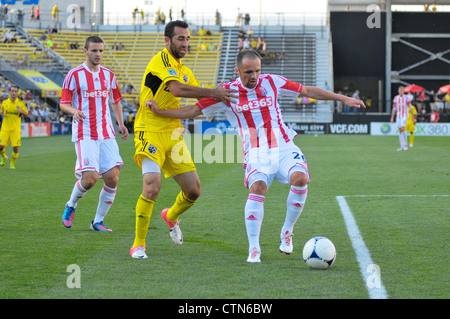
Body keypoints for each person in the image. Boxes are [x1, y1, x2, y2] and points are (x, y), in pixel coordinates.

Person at [146, 49, 365, 263]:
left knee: (300, 179)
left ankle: (287, 231)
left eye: (257, 71)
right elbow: (192, 111)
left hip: (284, 145)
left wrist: (342, 98)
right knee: (258, 187)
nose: (254, 76)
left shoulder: (272, 82)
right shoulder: (226, 93)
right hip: (257, 152)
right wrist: (160, 112)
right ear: (237, 70)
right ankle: (254, 248)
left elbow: (306, 90)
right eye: (248, 72)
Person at [129, 20, 238, 259]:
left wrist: (230, 93)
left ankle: (171, 216)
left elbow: (198, 104)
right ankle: (138, 244)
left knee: (194, 190)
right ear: (167, 40)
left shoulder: (185, 71)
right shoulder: (160, 61)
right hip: (149, 130)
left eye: (188, 39)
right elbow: (177, 90)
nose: (185, 43)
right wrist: (214, 92)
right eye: (181, 38)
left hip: (174, 133)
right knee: (152, 185)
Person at [60, 36, 129, 232]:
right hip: (85, 132)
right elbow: (63, 103)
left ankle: (97, 222)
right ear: (85, 51)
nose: (98, 54)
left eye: (101, 51)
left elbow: (115, 100)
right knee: (90, 178)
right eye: (94, 51)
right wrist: (74, 111)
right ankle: (71, 204)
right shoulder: (74, 75)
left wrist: (121, 123)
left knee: (113, 177)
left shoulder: (109, 75)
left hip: (106, 132)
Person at [0, 85, 29, 169]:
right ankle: (4, 157)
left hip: (15, 129)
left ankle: (12, 164)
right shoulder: (4, 102)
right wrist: (1, 113)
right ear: (9, 92)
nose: (13, 93)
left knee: (15, 148)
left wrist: (21, 111)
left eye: (15, 91)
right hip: (5, 128)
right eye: (12, 91)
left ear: (17, 93)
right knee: (0, 146)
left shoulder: (21, 104)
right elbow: (1, 112)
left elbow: (27, 115)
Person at [390, 86, 413, 151]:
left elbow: (410, 107)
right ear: (398, 91)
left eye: (402, 90)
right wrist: (392, 117)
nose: (401, 92)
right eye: (400, 90)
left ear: (404, 91)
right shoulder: (396, 98)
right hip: (398, 116)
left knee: (402, 128)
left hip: (405, 115)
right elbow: (394, 108)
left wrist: (413, 117)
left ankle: (405, 144)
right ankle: (402, 146)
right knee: (400, 130)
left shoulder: (406, 98)